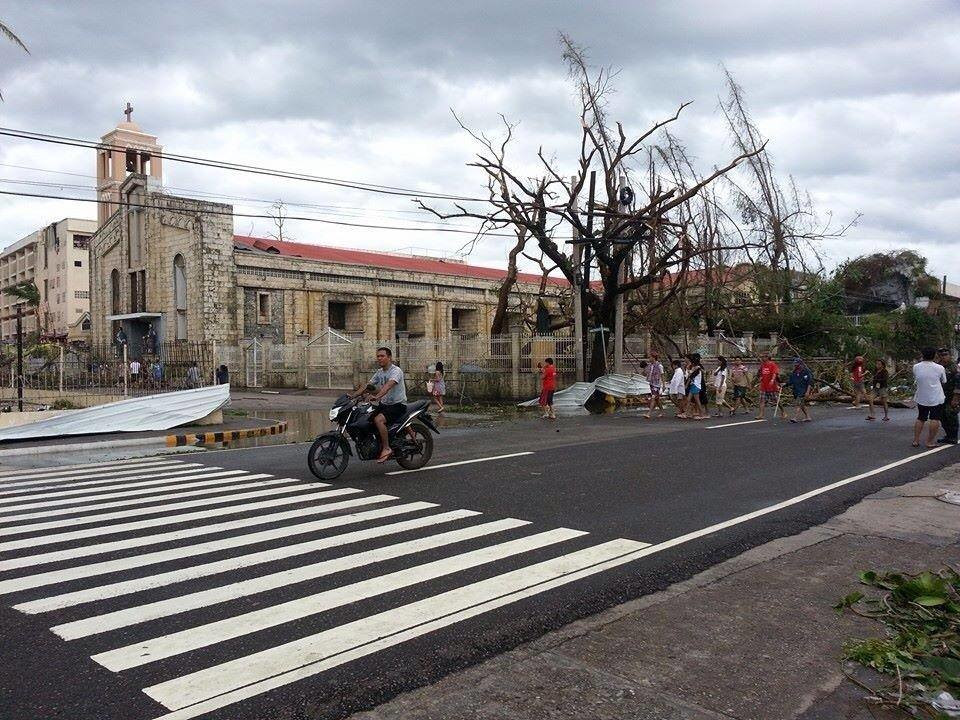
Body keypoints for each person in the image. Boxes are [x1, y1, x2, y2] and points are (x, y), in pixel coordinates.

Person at [349, 346, 407, 463]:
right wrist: (353, 396)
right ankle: (376, 443)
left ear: (389, 357)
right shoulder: (380, 372)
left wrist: (377, 396)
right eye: (378, 356)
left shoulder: (396, 371)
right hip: (385, 405)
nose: (379, 358)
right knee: (367, 420)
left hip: (397, 405)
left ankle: (386, 448)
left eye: (382, 356)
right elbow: (368, 386)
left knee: (378, 420)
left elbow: (388, 385)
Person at [912, 347, 947, 448]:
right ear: (935, 355)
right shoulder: (940, 368)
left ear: (922, 355)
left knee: (921, 418)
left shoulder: (916, 367)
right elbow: (944, 381)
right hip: (936, 397)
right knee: (934, 419)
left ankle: (916, 440)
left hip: (921, 396)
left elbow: (917, 378)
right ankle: (929, 441)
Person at [938, 349, 959, 445]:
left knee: (951, 415)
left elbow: (958, 383)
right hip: (941, 396)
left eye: (945, 354)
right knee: (942, 416)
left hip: (952, 395)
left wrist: (956, 398)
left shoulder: (954, 367)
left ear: (949, 355)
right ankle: (948, 435)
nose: (943, 356)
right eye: (941, 355)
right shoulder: (938, 366)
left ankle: (953, 436)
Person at [784, 357, 813, 423]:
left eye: (797, 364)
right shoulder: (794, 373)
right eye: (795, 364)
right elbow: (790, 382)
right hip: (796, 391)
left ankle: (795, 417)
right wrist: (784, 384)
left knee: (798, 403)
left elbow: (809, 382)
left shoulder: (806, 372)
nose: (796, 365)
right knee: (802, 404)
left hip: (803, 391)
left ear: (801, 364)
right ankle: (808, 417)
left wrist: (807, 392)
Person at [756, 352, 783, 420]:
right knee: (762, 400)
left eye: (763, 357)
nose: (762, 358)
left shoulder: (772, 364)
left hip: (771, 386)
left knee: (776, 401)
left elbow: (774, 373)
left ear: (767, 357)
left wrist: (772, 380)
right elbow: (761, 373)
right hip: (763, 386)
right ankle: (761, 414)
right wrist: (760, 378)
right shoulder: (762, 365)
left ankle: (783, 412)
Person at [684, 353, 707, 420]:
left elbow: (691, 376)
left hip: (696, 386)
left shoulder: (697, 368)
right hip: (693, 385)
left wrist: (686, 385)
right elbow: (690, 374)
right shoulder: (695, 368)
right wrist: (688, 369)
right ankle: (687, 413)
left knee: (697, 401)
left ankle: (701, 414)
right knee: (688, 399)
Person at [645, 351, 665, 419]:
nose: (649, 358)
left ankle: (649, 413)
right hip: (651, 383)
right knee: (657, 399)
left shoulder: (659, 365)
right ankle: (662, 411)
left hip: (657, 384)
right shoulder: (650, 365)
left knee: (653, 397)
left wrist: (664, 385)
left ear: (653, 357)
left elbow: (662, 375)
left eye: (650, 357)